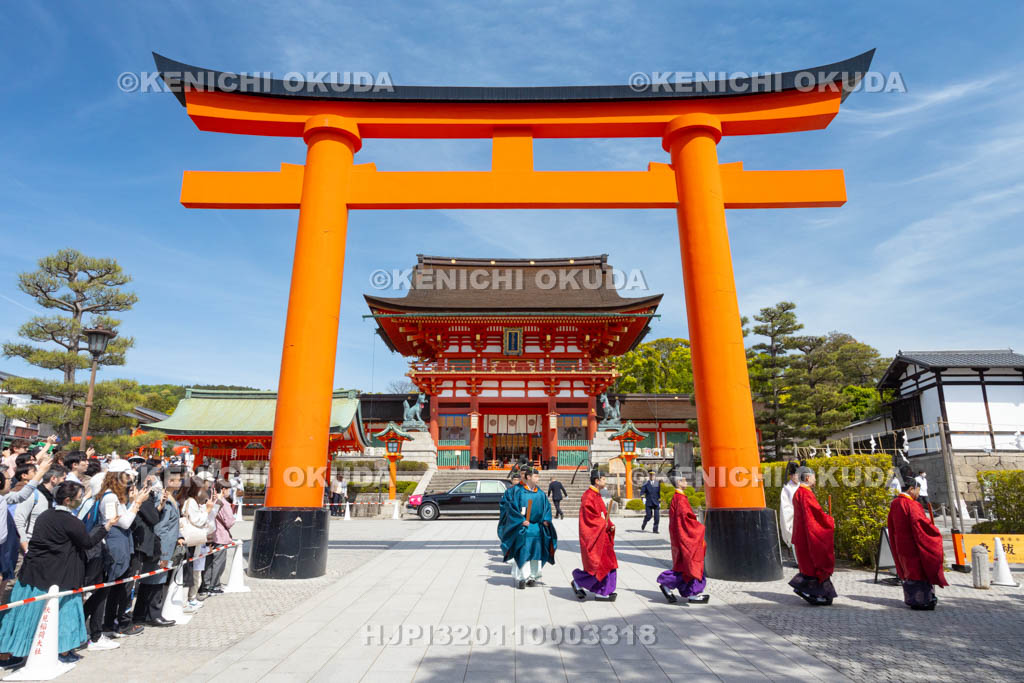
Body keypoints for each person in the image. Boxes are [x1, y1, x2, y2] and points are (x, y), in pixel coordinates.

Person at [0, 481, 117, 666]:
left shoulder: (45, 515)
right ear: (68, 500)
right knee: (65, 613)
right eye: (79, 497)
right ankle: (63, 651)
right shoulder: (71, 521)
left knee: (23, 614)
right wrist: (107, 526)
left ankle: (10, 654)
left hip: (33, 573)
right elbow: (87, 543)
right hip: (61, 576)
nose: (81, 500)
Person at [97, 460, 149, 641]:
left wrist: (133, 502)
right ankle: (104, 626)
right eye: (127, 476)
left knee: (119, 586)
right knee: (112, 586)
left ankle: (111, 624)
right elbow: (124, 522)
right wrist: (137, 504)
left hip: (122, 542)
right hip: (114, 543)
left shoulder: (116, 497)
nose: (129, 480)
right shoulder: (110, 497)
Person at [887, 476, 947, 610]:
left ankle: (912, 599)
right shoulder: (912, 505)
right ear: (911, 489)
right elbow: (921, 525)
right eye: (918, 490)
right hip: (915, 545)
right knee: (919, 571)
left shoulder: (895, 503)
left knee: (909, 571)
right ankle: (923, 601)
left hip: (901, 544)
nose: (919, 493)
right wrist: (934, 533)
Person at [134, 467, 183, 627]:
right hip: (161, 545)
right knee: (155, 581)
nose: (181, 482)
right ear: (170, 481)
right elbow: (161, 527)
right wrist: (163, 552)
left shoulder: (171, 497)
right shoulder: (162, 498)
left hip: (167, 542)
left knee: (154, 580)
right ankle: (152, 614)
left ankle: (143, 614)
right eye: (178, 479)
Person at [498, 467, 556, 589]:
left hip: (537, 527)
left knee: (536, 553)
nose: (538, 479)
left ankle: (533, 577)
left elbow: (547, 508)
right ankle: (522, 578)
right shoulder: (519, 493)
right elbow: (512, 509)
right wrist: (520, 520)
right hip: (523, 528)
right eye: (536, 476)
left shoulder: (540, 493)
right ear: (528, 477)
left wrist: (546, 520)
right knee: (523, 552)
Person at [657, 471, 710, 604]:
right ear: (679, 482)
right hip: (686, 537)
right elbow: (685, 521)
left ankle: (691, 593)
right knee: (690, 565)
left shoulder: (678, 498)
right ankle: (667, 583)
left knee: (687, 565)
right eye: (684, 480)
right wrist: (699, 527)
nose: (686, 482)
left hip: (681, 537)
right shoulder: (680, 499)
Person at [789, 467, 837, 606]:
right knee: (811, 567)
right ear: (808, 478)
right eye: (814, 477)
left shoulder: (800, 492)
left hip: (802, 535)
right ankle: (811, 593)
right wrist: (829, 521)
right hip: (807, 537)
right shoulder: (805, 494)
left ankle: (816, 593)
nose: (816, 480)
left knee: (807, 567)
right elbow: (815, 517)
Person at [571, 469, 617, 601]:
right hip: (596, 536)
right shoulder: (588, 496)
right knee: (599, 565)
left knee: (608, 563)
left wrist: (609, 524)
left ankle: (603, 590)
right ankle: (580, 582)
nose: (605, 481)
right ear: (597, 481)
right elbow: (589, 519)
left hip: (603, 535)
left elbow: (602, 515)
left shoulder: (596, 495)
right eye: (603, 479)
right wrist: (604, 524)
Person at [178, 476, 215, 613]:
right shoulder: (191, 501)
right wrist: (207, 510)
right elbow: (197, 521)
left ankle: (188, 599)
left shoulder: (188, 500)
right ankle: (186, 600)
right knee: (190, 571)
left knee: (191, 570)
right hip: (191, 539)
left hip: (191, 539)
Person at [14, 465, 66, 551]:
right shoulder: (33, 495)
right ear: (53, 479)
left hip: (45, 547)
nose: (65, 482)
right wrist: (26, 548)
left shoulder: (55, 498)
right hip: (29, 547)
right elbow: (18, 522)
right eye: (63, 478)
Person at [201, 481, 236, 595]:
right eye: (228, 489)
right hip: (221, 536)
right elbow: (229, 522)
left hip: (210, 536)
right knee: (218, 563)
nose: (229, 492)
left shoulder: (213, 501)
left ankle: (206, 584)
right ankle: (214, 585)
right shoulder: (224, 503)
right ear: (223, 490)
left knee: (209, 562)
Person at [497, 471, 522, 571]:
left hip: (520, 518)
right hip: (510, 518)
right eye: (514, 479)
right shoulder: (508, 491)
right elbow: (503, 504)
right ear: (511, 481)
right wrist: (511, 507)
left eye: (517, 479)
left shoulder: (523, 490)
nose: (516, 481)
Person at [779, 461, 800, 564]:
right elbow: (785, 507)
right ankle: (799, 562)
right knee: (795, 540)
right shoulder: (786, 489)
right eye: (795, 475)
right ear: (791, 476)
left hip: (804, 517)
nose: (797, 477)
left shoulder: (803, 486)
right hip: (793, 518)